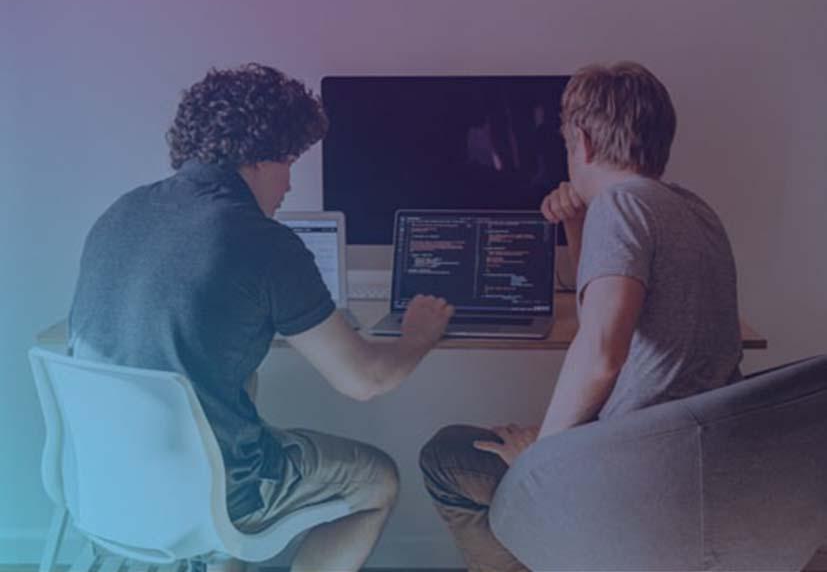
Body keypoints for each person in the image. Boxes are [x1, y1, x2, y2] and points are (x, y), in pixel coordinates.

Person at [68, 63, 454, 572]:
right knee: (377, 479)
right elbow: (365, 379)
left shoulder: (120, 213)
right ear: (259, 157)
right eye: (289, 162)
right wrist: (418, 336)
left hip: (104, 480)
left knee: (241, 393)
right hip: (211, 489)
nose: (290, 184)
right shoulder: (258, 239)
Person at [419, 61, 743, 572]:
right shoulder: (694, 209)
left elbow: (600, 355)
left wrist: (541, 457)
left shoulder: (621, 207)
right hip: (698, 468)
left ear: (584, 142)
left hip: (632, 476)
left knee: (444, 456)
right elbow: (606, 302)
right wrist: (576, 222)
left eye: (567, 142)